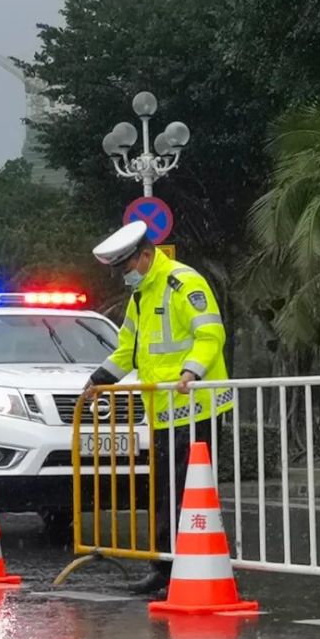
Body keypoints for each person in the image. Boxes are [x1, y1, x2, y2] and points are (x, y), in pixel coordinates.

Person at [84, 221, 233, 595]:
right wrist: (100, 379)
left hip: (198, 406)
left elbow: (211, 333)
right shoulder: (142, 296)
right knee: (165, 492)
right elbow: (128, 351)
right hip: (164, 411)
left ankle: (192, 570)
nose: (124, 276)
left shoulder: (183, 283)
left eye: (127, 267)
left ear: (146, 256)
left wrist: (191, 370)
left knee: (190, 492)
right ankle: (164, 570)